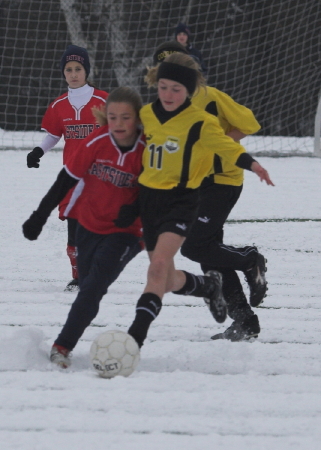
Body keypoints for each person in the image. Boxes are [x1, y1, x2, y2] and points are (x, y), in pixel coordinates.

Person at [122, 53, 273, 350]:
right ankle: (244, 321)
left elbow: (250, 123)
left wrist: (220, 146)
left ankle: (249, 258)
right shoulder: (160, 109)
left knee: (194, 244)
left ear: (192, 79)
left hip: (222, 181)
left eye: (178, 82)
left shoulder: (211, 99)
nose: (170, 89)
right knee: (208, 254)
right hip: (194, 185)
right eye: (165, 82)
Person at [22, 87, 145, 368]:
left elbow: (160, 190)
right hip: (90, 223)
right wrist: (39, 216)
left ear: (137, 119)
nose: (118, 124)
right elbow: (65, 180)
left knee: (92, 288)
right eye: (112, 117)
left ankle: (62, 346)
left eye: (125, 118)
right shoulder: (97, 140)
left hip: (128, 232)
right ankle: (204, 286)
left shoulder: (148, 148)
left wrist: (136, 208)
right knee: (88, 284)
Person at [26, 45, 109, 292]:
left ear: (86, 71)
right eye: (69, 69)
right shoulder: (58, 105)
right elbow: (53, 135)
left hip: (102, 177)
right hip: (73, 177)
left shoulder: (104, 100)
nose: (73, 74)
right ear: (64, 73)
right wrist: (38, 151)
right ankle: (79, 276)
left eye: (78, 69)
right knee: (73, 229)